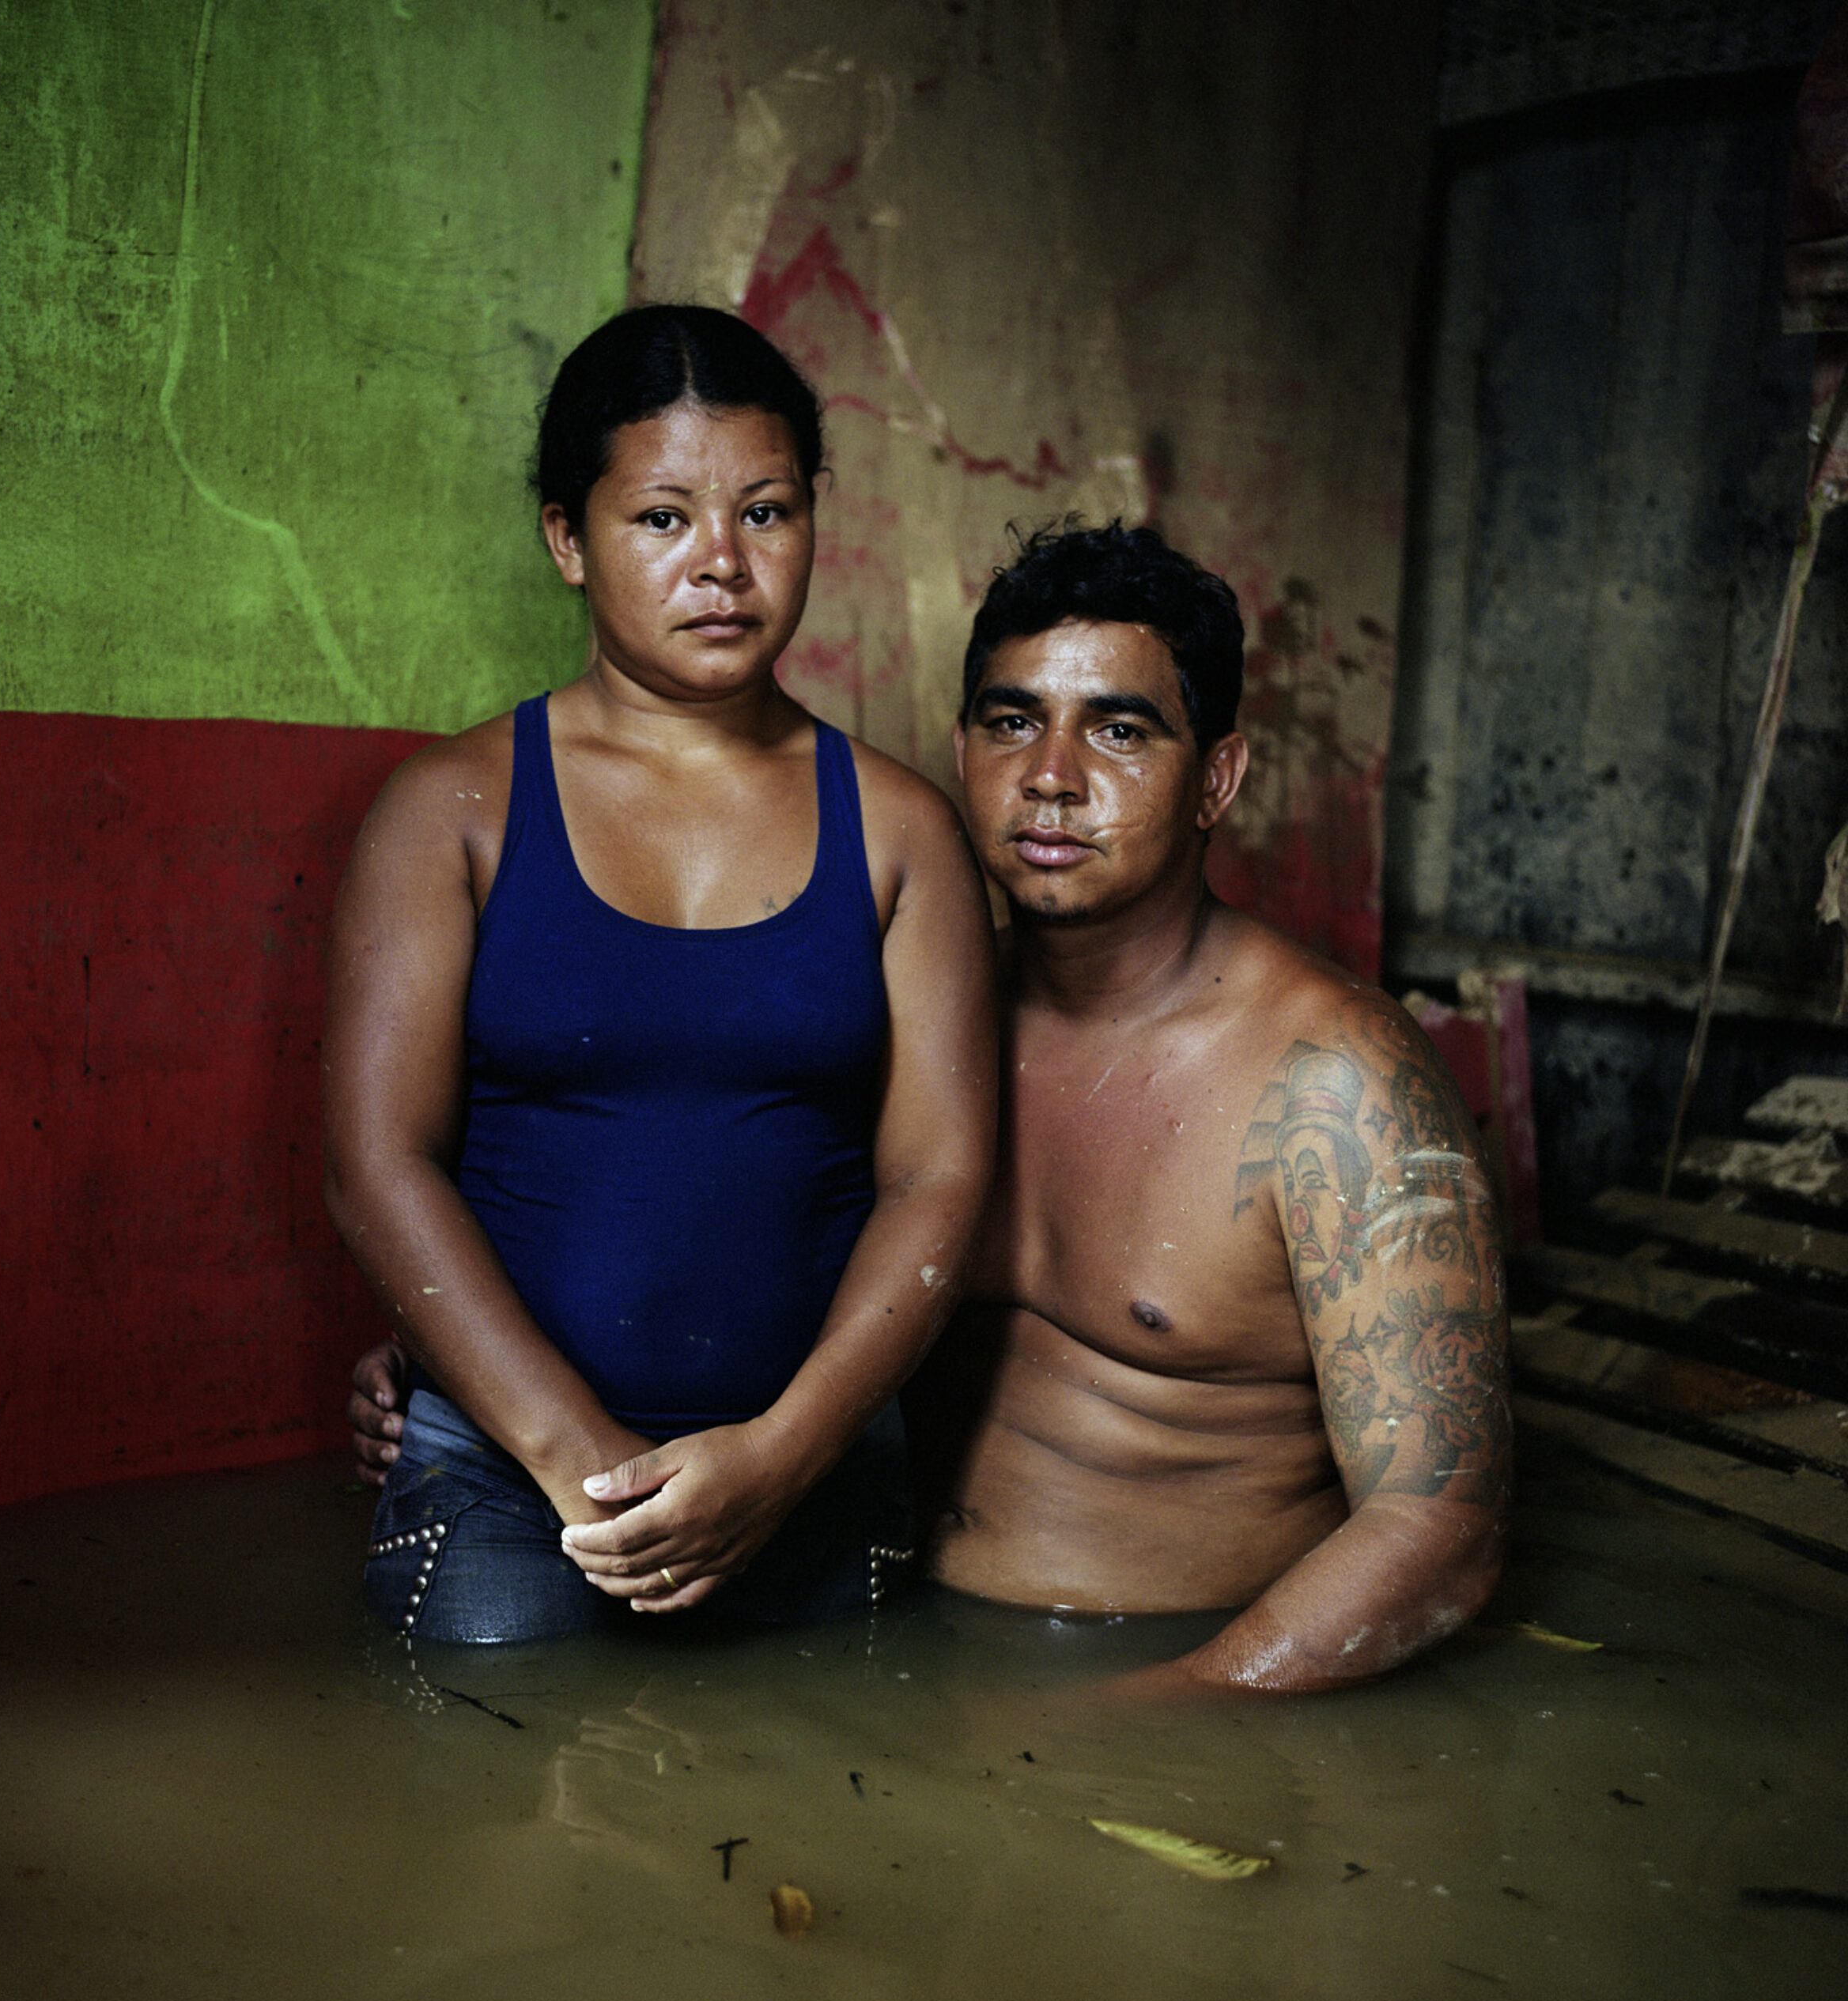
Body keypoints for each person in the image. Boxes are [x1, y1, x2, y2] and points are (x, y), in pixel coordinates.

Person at [351, 520, 1512, 1693]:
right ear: (960, 751)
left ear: (1217, 776)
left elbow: (1439, 1535)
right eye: (1013, 722)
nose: (1053, 779)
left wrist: (1154, 1719)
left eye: (1119, 729)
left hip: (1169, 1685)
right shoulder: (894, 1020)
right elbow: (706, 1226)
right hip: (878, 1642)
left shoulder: (1338, 1083)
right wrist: (446, 1368)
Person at [323, 305, 995, 1643]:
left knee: (848, 1817)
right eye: (662, 520)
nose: (724, 567)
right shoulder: (450, 809)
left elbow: (942, 1179)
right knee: (483, 1803)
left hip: (812, 1466)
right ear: (568, 540)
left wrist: (785, 1455)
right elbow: (376, 1164)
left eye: (767, 513)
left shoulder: (906, 831)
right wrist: (583, 1466)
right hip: (514, 1480)